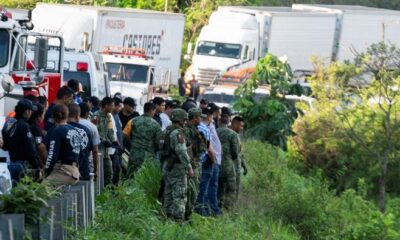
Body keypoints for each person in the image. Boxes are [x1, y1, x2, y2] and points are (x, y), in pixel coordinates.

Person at [163, 108, 193, 222]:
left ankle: (167, 219)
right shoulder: (178, 133)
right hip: (177, 168)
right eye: (184, 120)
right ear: (180, 120)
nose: (185, 123)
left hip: (167, 166)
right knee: (180, 195)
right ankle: (178, 221)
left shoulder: (167, 130)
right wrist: (189, 167)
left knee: (168, 195)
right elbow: (181, 151)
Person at [2, 99, 41, 183]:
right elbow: (31, 150)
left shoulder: (9, 123)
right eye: (30, 110)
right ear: (26, 111)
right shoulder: (24, 126)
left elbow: (4, 146)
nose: (31, 113)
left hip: (10, 164)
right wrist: (37, 167)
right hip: (23, 166)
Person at [43, 104, 81, 187]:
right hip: (75, 171)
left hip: (64, 170)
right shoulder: (74, 130)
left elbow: (52, 155)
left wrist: (46, 171)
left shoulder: (57, 130)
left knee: (41, 189)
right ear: (67, 115)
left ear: (53, 117)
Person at [196, 106, 221, 216]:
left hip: (205, 161)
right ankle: (203, 212)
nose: (212, 117)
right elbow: (209, 149)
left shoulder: (208, 126)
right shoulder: (204, 128)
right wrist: (214, 160)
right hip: (207, 161)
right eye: (211, 115)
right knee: (205, 189)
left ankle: (205, 211)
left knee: (206, 188)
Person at [126, 102, 163, 175]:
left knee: (131, 176)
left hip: (134, 154)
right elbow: (159, 142)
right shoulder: (156, 124)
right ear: (152, 110)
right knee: (144, 178)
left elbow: (125, 135)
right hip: (148, 156)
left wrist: (132, 143)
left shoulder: (134, 121)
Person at [184, 108, 208, 219]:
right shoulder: (187, 131)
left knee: (193, 192)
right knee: (190, 191)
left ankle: (188, 214)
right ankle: (186, 216)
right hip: (191, 165)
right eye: (199, 117)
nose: (201, 119)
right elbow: (187, 150)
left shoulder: (195, 130)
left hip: (195, 164)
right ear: (194, 118)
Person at [217, 112, 240, 210]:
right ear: (229, 121)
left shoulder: (214, 131)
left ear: (219, 121)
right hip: (228, 165)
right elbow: (235, 152)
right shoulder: (232, 134)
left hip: (216, 164)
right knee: (230, 188)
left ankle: (217, 207)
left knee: (219, 188)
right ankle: (228, 209)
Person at [67, 103, 93, 181]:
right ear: (78, 117)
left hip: (65, 172)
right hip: (83, 170)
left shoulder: (59, 129)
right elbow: (90, 150)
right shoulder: (86, 130)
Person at [96, 97, 116, 186]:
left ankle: (107, 192)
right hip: (97, 150)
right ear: (106, 105)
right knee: (98, 173)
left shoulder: (108, 117)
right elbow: (94, 132)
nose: (113, 107)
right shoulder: (96, 116)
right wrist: (103, 140)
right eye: (112, 105)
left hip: (105, 151)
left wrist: (114, 141)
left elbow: (110, 130)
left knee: (109, 172)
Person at [79, 103, 100, 178]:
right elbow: (95, 150)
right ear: (87, 113)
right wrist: (96, 169)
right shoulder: (92, 127)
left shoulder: (69, 124)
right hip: (86, 162)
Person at [231, 116, 247, 200]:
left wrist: (244, 166)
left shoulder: (236, 136)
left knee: (236, 190)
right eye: (240, 126)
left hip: (236, 167)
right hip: (231, 168)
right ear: (235, 124)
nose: (241, 128)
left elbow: (240, 154)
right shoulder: (230, 135)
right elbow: (235, 153)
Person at [111, 97, 124, 185]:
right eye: (119, 106)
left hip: (119, 148)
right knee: (116, 169)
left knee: (118, 169)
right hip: (113, 148)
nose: (120, 108)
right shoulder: (109, 116)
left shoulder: (116, 115)